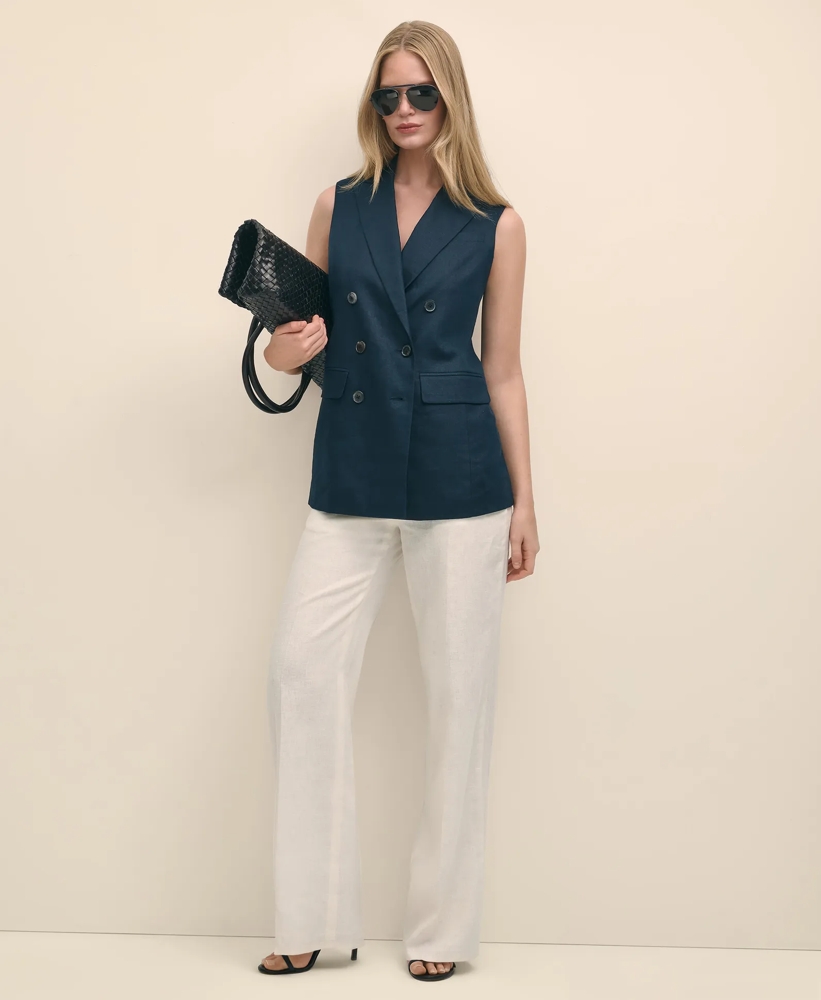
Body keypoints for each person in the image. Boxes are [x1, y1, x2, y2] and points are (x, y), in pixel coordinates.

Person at [257, 19, 539, 982]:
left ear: (449, 96)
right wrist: (283, 350)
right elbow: (291, 341)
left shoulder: (497, 223)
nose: (405, 109)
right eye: (388, 96)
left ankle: (441, 935)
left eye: (421, 92)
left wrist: (525, 503)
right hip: (352, 468)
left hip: (463, 479)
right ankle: (310, 918)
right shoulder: (338, 206)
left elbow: (503, 371)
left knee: (460, 704)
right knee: (300, 673)